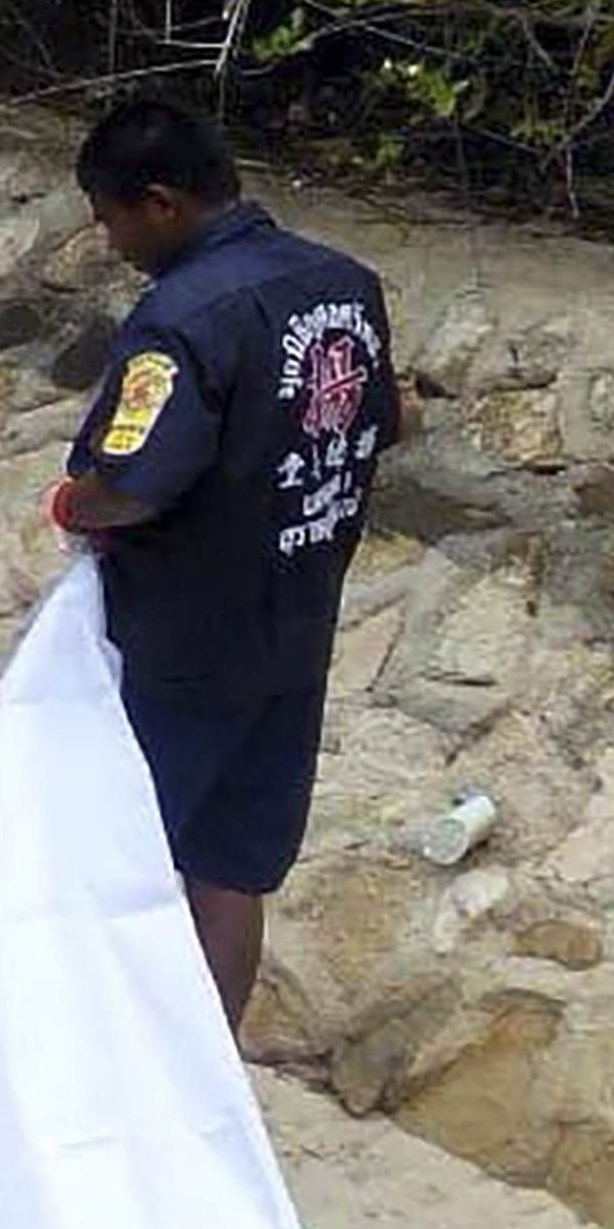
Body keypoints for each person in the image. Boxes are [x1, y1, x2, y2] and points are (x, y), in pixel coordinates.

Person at [48, 98, 403, 1034]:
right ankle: (210, 1076)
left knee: (114, 859)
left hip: (182, 649)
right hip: (295, 634)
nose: (109, 240)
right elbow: (383, 423)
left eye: (110, 216)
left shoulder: (186, 318)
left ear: (159, 202)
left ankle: (105, 1066)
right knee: (231, 870)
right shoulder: (345, 286)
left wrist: (68, 502)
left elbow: (133, 482)